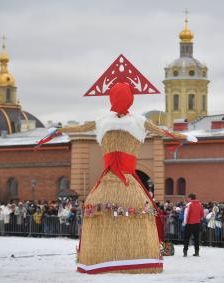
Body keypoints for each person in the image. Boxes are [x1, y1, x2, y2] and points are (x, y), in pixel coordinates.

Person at [40, 58, 197, 274]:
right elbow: (164, 132)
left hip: (107, 183)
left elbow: (79, 127)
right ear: (131, 99)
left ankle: (100, 258)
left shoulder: (102, 120)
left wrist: (58, 131)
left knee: (102, 213)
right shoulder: (139, 122)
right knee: (137, 215)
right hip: (129, 183)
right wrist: (184, 136)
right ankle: (136, 259)